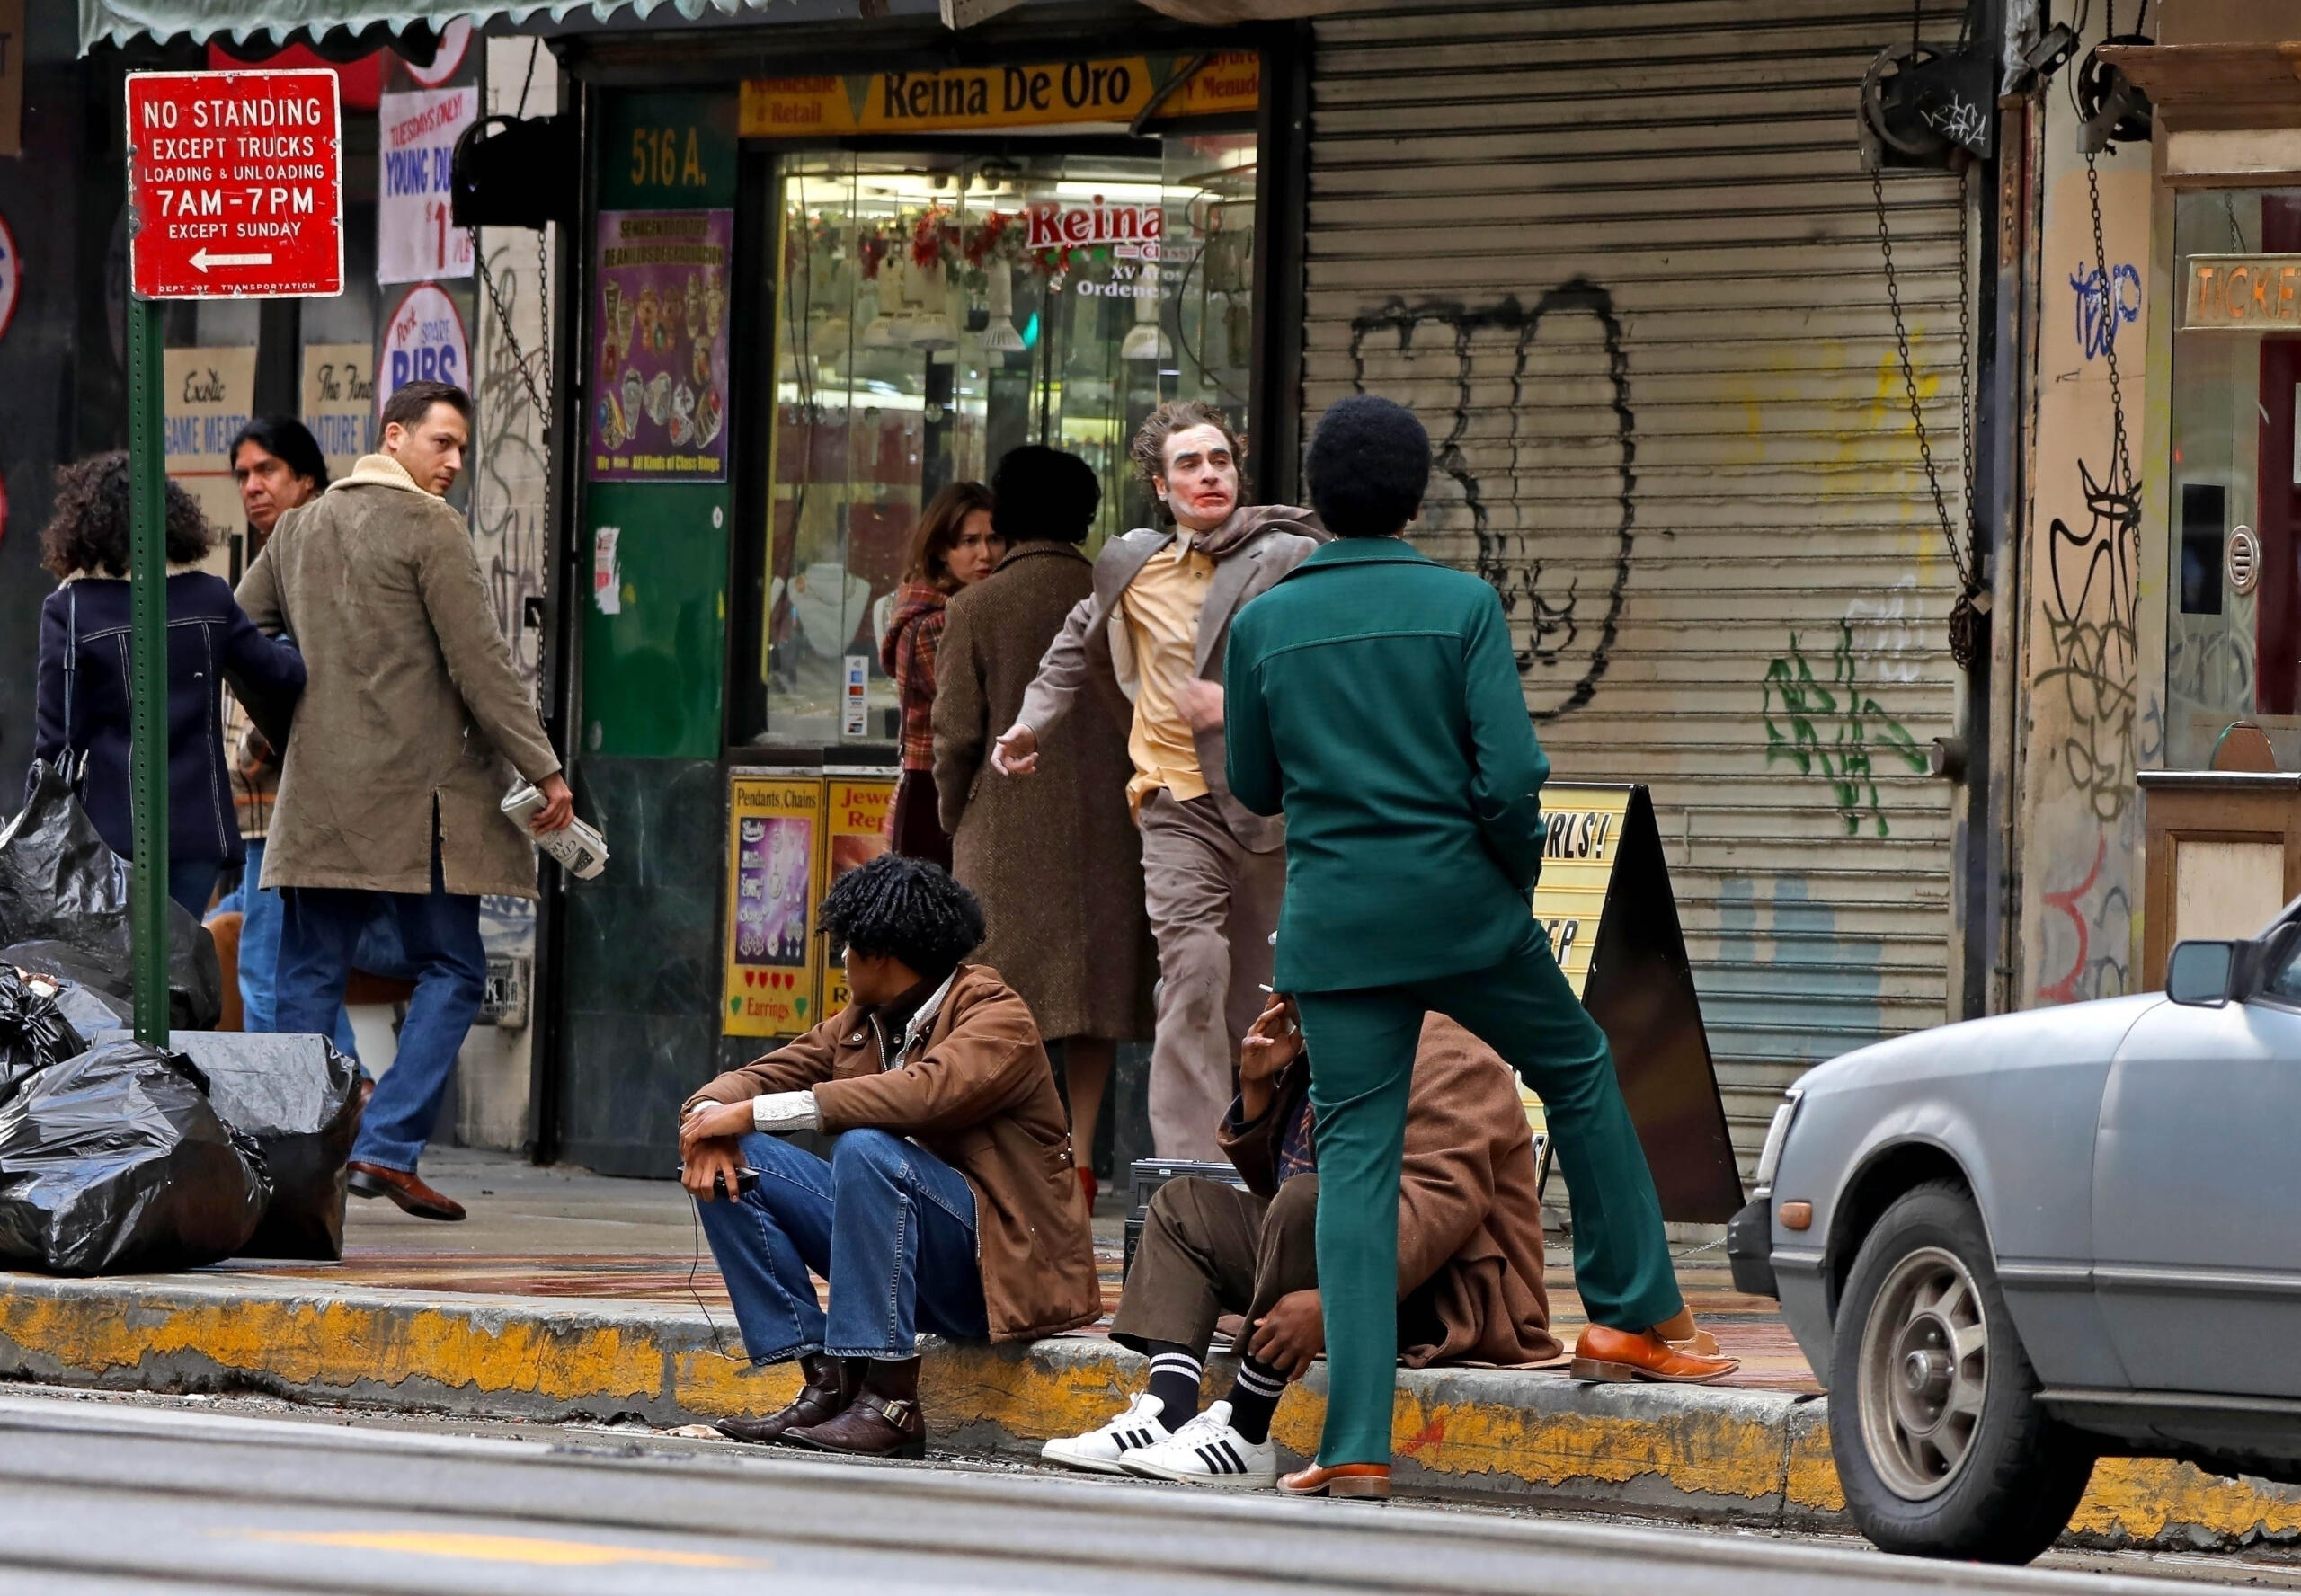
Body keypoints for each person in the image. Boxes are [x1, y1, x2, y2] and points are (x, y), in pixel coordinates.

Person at [1220, 394, 1735, 1501]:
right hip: (1462, 912)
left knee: (1358, 1166)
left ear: (1314, 499)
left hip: (1339, 929)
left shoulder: (1263, 622)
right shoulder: (1461, 605)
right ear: (1416, 497)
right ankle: (1635, 1312)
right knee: (1581, 1069)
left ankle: (1354, 1441)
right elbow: (1510, 777)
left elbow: (1254, 788)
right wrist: (1507, 876)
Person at [237, 380, 575, 1222]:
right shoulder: (431, 527)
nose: (456, 463)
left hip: (319, 800)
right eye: (443, 444)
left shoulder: (300, 528)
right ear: (394, 437)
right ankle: (385, 1148)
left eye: (463, 448)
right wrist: (546, 769)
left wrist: (288, 727)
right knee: (456, 967)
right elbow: (483, 664)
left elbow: (238, 636)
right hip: (418, 805)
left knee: (306, 975)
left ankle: (297, 1169)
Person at [1044, 992, 1559, 1488]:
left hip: (1443, 1294)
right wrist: (1257, 1087)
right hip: (1345, 1256)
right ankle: (1167, 1409)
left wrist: (1336, 1301)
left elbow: (1438, 1206)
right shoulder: (1326, 1043)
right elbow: (1281, 1186)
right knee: (1183, 1206)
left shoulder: (1453, 1054)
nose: (1286, 995)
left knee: (1307, 1202)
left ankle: (1247, 1429)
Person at [679, 854, 1100, 1460]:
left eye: (847, 946)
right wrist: (708, 1125)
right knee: (735, 1160)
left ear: (880, 954)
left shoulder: (995, 1014)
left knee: (867, 1149)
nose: (841, 960)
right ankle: (829, 1384)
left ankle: (892, 1403)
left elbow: (924, 1094)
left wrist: (748, 1113)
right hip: (896, 1259)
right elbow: (750, 1080)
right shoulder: (860, 1023)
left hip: (993, 1269)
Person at [992, 401, 1320, 1159]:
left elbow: (1323, 669)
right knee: (1193, 974)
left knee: (1261, 998)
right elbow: (1072, 647)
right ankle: (1188, 1170)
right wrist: (1029, 724)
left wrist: (1237, 708)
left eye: (1220, 461)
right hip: (1174, 803)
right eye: (1189, 465)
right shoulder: (1129, 564)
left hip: (1266, 801)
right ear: (1160, 486)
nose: (1209, 476)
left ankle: (1269, 1151)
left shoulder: (1287, 558)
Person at [933, 446, 1151, 1207]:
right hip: (1113, 830)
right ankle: (1082, 1160)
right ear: (1087, 514)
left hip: (1005, 831)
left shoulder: (977, 607)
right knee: (1090, 1006)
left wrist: (954, 816)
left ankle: (1015, 1160)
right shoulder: (1122, 596)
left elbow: (955, 734)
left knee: (1002, 1004)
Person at [31, 453, 307, 918]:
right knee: (177, 975)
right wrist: (289, 640)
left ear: (84, 526)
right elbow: (281, 675)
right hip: (199, 831)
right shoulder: (208, 595)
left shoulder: (71, 608)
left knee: (118, 980)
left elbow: (56, 742)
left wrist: (36, 837)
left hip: (112, 834)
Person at [212, 416, 352, 1044]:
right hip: (261, 815)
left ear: (306, 478)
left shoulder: (312, 556)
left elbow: (310, 675)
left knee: (268, 977)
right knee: (292, 973)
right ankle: (353, 1102)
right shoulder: (279, 554)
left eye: (267, 470)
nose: (252, 486)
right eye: (243, 474)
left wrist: (251, 747)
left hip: (285, 811)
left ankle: (295, 1122)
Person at [878, 482, 1000, 871]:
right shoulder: (936, 624)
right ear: (941, 551)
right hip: (933, 796)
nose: (985, 554)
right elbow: (972, 712)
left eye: (994, 538)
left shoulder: (965, 610)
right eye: (969, 541)